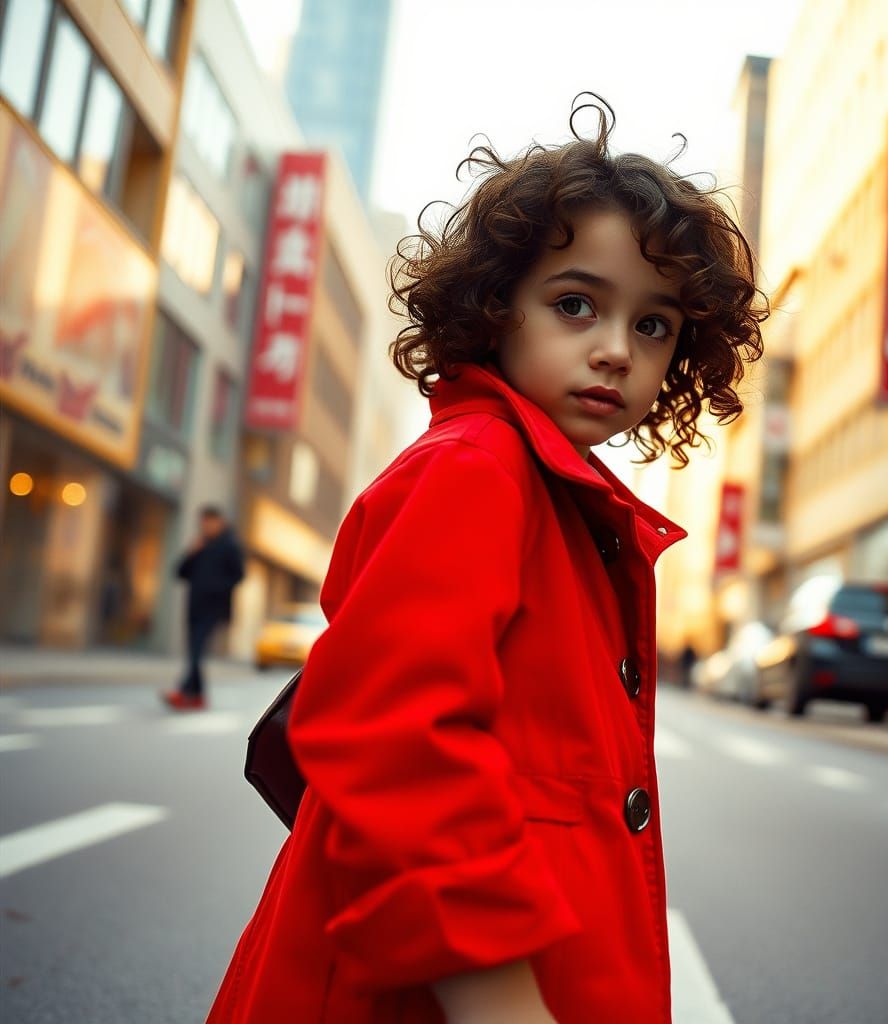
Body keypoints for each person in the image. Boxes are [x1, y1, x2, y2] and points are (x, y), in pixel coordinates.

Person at [207, 96, 765, 1023]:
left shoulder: (560, 499)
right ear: (496, 306)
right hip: (445, 991)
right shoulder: (476, 471)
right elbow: (395, 735)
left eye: (655, 325)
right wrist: (499, 997)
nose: (617, 350)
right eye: (575, 303)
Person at [163, 505, 244, 711]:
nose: (206, 527)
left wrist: (215, 587)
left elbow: (239, 576)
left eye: (210, 522)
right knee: (194, 651)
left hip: (213, 608)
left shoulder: (230, 546)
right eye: (203, 523)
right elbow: (180, 573)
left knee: (197, 649)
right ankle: (198, 697)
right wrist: (191, 553)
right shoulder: (200, 545)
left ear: (220, 522)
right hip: (194, 605)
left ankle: (184, 691)